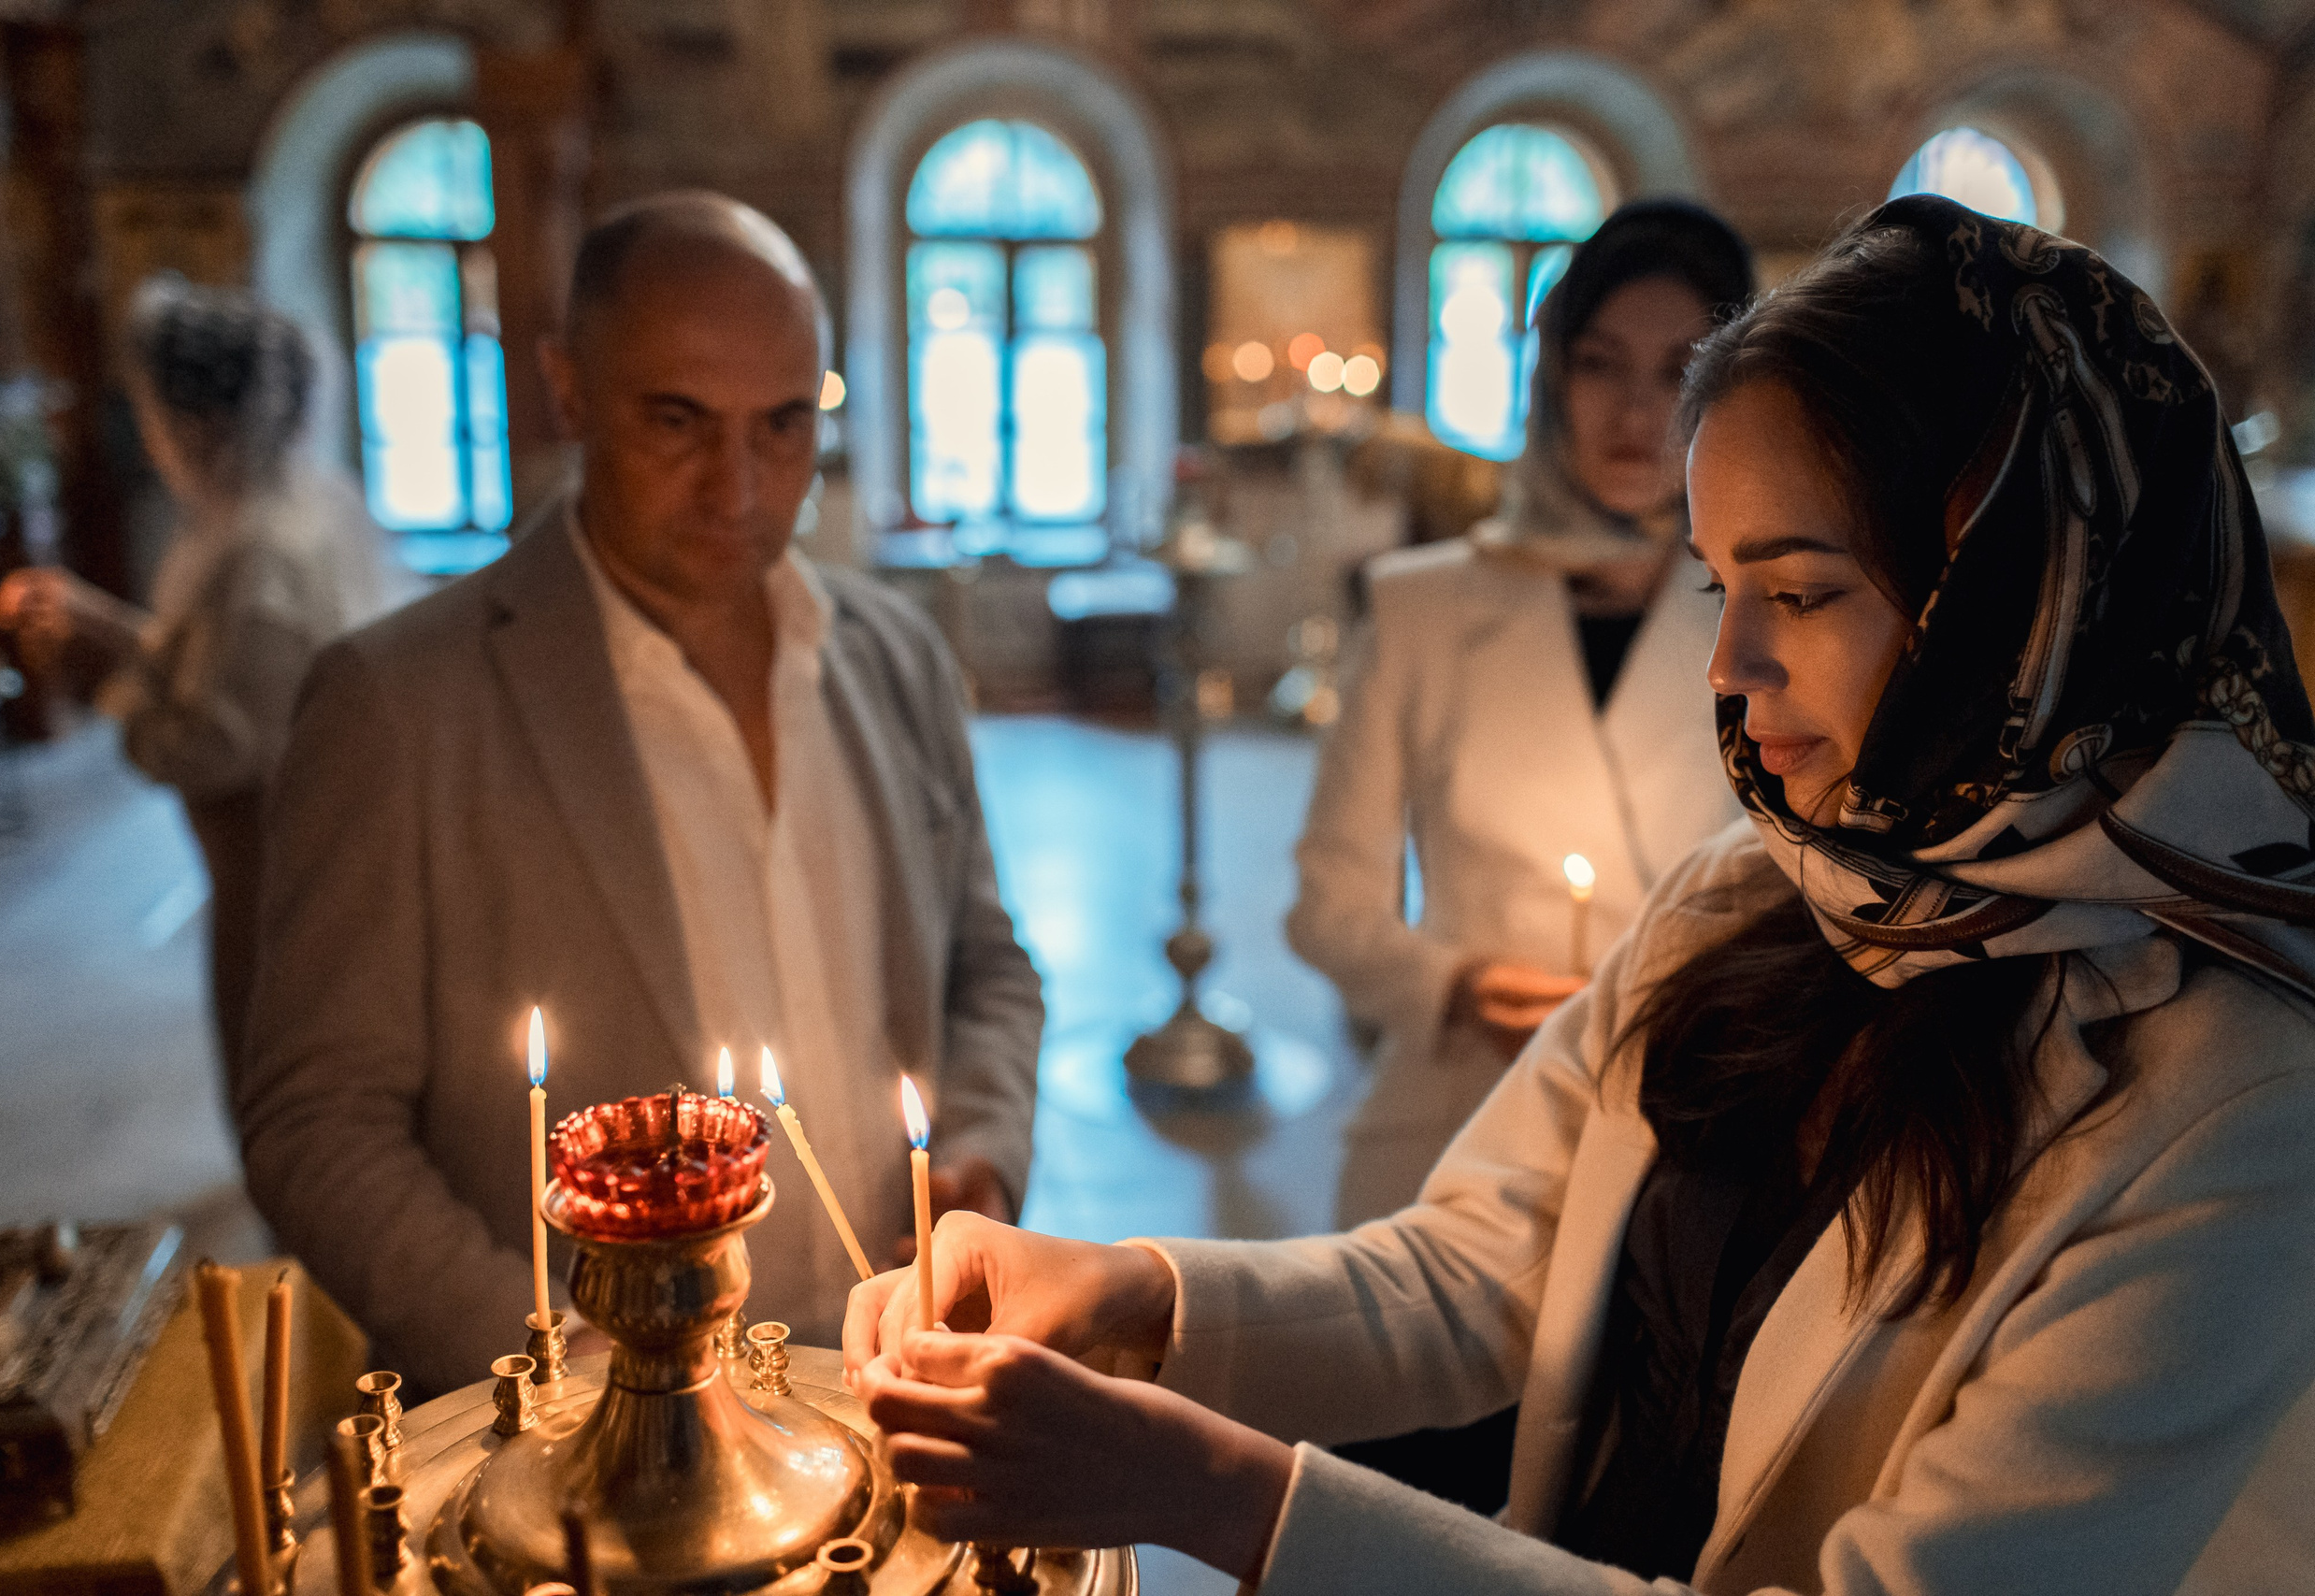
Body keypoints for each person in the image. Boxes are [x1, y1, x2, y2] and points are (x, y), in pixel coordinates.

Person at [842, 196, 2315, 1594]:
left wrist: (1216, 1492)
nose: (1729, 671)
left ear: (2022, 592)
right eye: (1712, 587)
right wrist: (1131, 1287)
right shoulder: (1758, 891)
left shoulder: (2235, 1098)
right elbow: (1484, 1265)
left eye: (1797, 590)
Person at [237, 193, 1043, 1397]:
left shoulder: (893, 655)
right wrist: (560, 1369)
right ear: (569, 389)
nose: (740, 489)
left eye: (783, 427)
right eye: (678, 421)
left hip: (889, 1384)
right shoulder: (397, 702)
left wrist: (977, 1147)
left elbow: (986, 966)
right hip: (592, 1448)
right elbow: (318, 1124)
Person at [1292, 200, 1753, 1229]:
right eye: (1599, 363)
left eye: (1679, 368)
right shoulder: (1422, 605)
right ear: (1550, 377)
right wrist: (1453, 986)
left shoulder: (1767, 609)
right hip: (1456, 1126)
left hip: (1688, 1132)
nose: (1634, 412)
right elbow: (1328, 910)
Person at [0, 278, 410, 1092]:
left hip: (274, 874)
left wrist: (104, 676)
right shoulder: (288, 511)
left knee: (282, 1081)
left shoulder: (261, 551)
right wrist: (106, 624)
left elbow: (214, 745)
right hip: (285, 858)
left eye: (150, 411)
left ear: (198, 419)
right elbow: (224, 665)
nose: (148, 436)